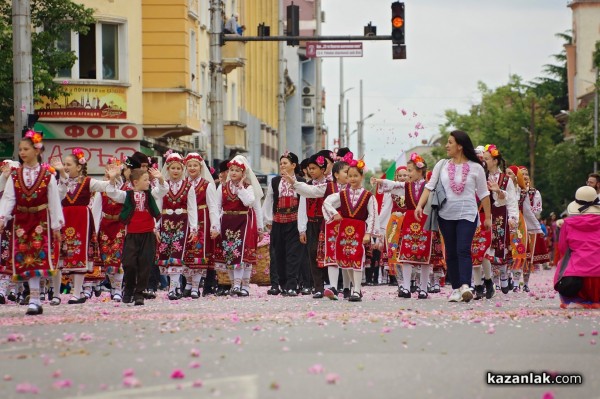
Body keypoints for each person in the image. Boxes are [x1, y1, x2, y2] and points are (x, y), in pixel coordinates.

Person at [415, 130, 491, 303]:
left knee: (463, 249)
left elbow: (484, 193)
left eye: (450, 142)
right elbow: (430, 186)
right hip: (445, 214)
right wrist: (420, 205)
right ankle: (456, 288)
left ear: (460, 146)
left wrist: (488, 218)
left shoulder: (476, 167)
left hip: (468, 214)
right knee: (450, 252)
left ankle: (466, 285)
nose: (446, 145)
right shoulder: (441, 164)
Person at [0, 131, 64, 315]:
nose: (22, 152)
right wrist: (2, 218)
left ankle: (35, 299)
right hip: (21, 220)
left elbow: (53, 201)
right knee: (26, 258)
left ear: (37, 150)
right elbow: (9, 198)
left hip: (40, 220)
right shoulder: (14, 175)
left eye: (26, 148)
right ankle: (34, 298)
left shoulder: (47, 175)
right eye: (20, 149)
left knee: (37, 257)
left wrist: (57, 226)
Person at [51, 149, 112, 305]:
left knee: (79, 255)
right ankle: (56, 294)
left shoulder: (87, 181)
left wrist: (113, 178)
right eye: (63, 164)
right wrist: (60, 177)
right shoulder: (57, 182)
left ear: (78, 167)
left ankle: (76, 293)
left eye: (68, 164)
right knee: (59, 255)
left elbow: (105, 186)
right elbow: (58, 196)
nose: (65, 167)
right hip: (63, 219)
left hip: (81, 221)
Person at [106, 166, 168, 305]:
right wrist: (111, 179)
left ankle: (139, 293)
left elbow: (163, 190)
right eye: (145, 180)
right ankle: (128, 289)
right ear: (135, 182)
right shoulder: (126, 195)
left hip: (148, 234)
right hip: (132, 235)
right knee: (129, 263)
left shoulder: (150, 194)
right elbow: (112, 193)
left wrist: (160, 178)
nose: (148, 182)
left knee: (145, 264)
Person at [323, 157, 379, 302]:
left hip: (359, 229)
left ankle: (357, 290)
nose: (352, 179)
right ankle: (353, 288)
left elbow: (373, 215)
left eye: (356, 176)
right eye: (350, 176)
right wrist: (334, 214)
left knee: (357, 258)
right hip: (344, 229)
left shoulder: (368, 196)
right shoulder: (342, 195)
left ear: (362, 176)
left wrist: (368, 233)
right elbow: (327, 202)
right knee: (345, 259)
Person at [213, 155, 264, 296]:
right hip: (227, 222)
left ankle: (242, 285)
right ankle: (234, 284)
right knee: (229, 254)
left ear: (243, 173)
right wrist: (215, 226)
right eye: (232, 170)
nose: (234, 172)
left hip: (244, 222)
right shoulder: (222, 187)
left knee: (241, 254)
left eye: (237, 170)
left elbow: (250, 203)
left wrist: (241, 188)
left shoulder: (248, 188)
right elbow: (216, 207)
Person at [263, 151, 307, 297]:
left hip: (295, 221)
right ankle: (281, 284)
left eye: (285, 163)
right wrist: (268, 220)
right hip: (278, 222)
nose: (282, 166)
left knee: (293, 255)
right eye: (281, 163)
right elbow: (269, 200)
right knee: (278, 254)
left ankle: (292, 285)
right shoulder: (275, 181)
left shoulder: (300, 181)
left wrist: (303, 226)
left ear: (293, 165)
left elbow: (304, 203)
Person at [478, 144, 518, 300]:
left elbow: (512, 200)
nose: (484, 161)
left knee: (500, 246)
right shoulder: (482, 177)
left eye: (486, 159)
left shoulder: (505, 179)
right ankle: (489, 279)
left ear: (495, 161)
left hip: (501, 214)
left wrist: (513, 218)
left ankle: (502, 275)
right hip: (485, 215)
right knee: (486, 246)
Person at [156, 152, 198, 300]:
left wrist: (194, 228)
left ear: (183, 170)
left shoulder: (188, 187)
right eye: (172, 168)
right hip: (166, 224)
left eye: (178, 168)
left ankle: (173, 288)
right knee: (166, 254)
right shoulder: (162, 186)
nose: (175, 171)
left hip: (182, 223)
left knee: (176, 254)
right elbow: (158, 206)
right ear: (167, 169)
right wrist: (156, 227)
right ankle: (175, 286)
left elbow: (192, 208)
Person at [554, 186, 600, 308]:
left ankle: (576, 298)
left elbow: (563, 249)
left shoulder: (568, 224)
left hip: (578, 277)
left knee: (563, 263)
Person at [183, 153, 219, 298]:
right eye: (189, 165)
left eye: (195, 165)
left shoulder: (207, 185)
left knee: (199, 252)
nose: (192, 168)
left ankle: (196, 285)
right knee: (185, 252)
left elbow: (213, 206)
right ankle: (188, 283)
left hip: (203, 220)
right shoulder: (183, 183)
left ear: (200, 167)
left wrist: (215, 226)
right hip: (186, 219)